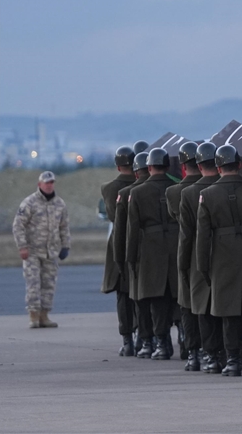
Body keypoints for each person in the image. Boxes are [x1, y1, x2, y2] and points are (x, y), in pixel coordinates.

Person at [196, 145, 242, 376]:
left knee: (229, 311)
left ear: (218, 167)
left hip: (223, 256)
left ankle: (234, 361)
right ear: (239, 165)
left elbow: (203, 237)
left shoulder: (207, 196)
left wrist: (204, 267)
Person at [127, 148, 180, 361]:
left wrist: (131, 258)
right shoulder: (177, 188)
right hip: (176, 244)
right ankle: (185, 340)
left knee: (156, 299)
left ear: (149, 167)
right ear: (167, 166)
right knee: (178, 297)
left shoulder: (137, 192)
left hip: (150, 248)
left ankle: (162, 343)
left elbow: (133, 229)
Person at [177, 142, 225, 373]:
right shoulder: (227, 187)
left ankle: (202, 355)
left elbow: (186, 235)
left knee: (196, 307)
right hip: (225, 255)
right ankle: (226, 353)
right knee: (223, 306)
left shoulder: (185, 193)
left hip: (199, 254)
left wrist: (183, 263)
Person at [13, 170, 70, 329]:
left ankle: (44, 316)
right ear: (40, 184)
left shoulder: (60, 204)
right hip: (32, 252)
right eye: (46, 183)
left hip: (51, 252)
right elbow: (18, 225)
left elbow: (64, 227)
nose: (49, 185)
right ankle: (34, 316)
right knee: (33, 283)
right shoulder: (29, 203)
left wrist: (65, 245)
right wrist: (22, 246)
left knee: (49, 284)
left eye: (52, 182)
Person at [166, 142, 203, 370]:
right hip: (217, 252)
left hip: (189, 252)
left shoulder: (174, 192)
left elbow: (176, 218)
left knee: (188, 305)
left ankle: (193, 353)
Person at [100, 146, 138, 354]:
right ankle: (144, 335)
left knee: (123, 294)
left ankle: (127, 339)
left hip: (118, 241)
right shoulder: (141, 185)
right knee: (141, 292)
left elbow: (110, 215)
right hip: (140, 240)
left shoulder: (108, 188)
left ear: (117, 166)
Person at [116, 152, 152, 356]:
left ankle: (135, 340)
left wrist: (124, 259)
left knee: (132, 297)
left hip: (137, 251)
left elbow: (123, 230)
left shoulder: (125, 192)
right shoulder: (173, 190)